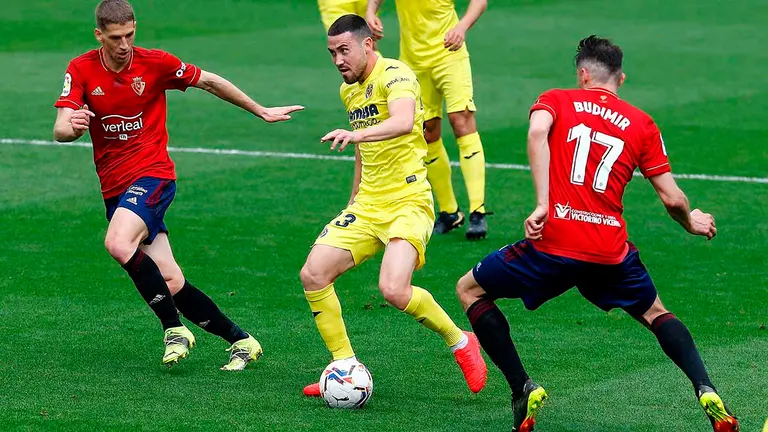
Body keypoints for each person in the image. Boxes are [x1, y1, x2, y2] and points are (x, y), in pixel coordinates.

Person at [454, 35, 739, 432]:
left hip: (554, 242)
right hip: (609, 251)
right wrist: (691, 221)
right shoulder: (642, 123)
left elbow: (537, 133)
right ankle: (705, 387)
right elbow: (673, 198)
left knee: (470, 290)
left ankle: (522, 388)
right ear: (620, 78)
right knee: (656, 314)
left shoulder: (556, 99)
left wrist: (542, 203)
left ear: (583, 74)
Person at [52, 0, 303, 369]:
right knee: (169, 280)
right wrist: (72, 128)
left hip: (153, 175)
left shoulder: (155, 63)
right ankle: (242, 341)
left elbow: (210, 81)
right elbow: (60, 128)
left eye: (130, 35)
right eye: (116, 37)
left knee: (118, 243)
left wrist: (260, 110)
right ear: (99, 35)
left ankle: (174, 329)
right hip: (115, 187)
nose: (124, 44)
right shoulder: (81, 68)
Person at [301, 14, 486, 397]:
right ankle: (344, 367)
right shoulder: (349, 90)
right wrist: (352, 200)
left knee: (393, 289)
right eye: (332, 53)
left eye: (344, 50)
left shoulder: (396, 75)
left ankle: (460, 341)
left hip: (408, 200)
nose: (338, 60)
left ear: (367, 44)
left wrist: (356, 135)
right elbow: (362, 148)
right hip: (368, 204)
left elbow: (402, 121)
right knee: (314, 274)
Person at [366, 0, 490, 240]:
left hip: (449, 54)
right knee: (427, 131)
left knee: (461, 121)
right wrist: (371, 11)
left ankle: (478, 211)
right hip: (413, 61)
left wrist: (462, 27)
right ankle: (450, 211)